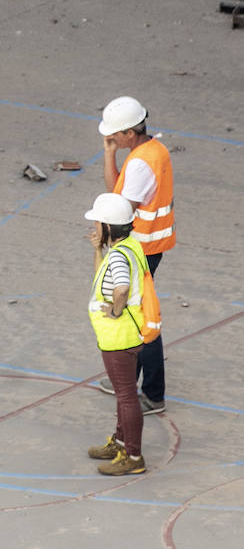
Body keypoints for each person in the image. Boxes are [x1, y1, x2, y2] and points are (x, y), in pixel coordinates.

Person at [96, 96, 175, 414]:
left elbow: (118, 206)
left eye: (114, 136)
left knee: (143, 321)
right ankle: (130, 381)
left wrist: (104, 238)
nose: (111, 139)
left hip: (140, 247)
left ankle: (153, 394)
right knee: (137, 315)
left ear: (130, 132)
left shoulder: (141, 163)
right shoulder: (153, 150)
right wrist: (110, 153)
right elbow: (121, 191)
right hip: (151, 244)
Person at [84, 193, 149, 476]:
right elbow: (106, 276)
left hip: (119, 336)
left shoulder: (120, 257)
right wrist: (98, 250)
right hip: (124, 335)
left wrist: (114, 310)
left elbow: (121, 288)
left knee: (126, 396)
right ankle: (121, 442)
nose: (96, 226)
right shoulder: (127, 247)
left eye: (99, 222)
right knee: (125, 394)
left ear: (109, 226)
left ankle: (133, 457)